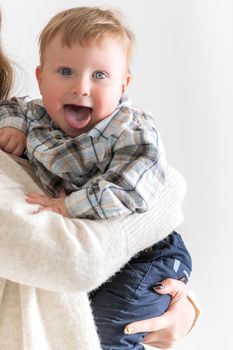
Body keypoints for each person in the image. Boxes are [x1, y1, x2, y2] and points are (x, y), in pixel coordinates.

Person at [0, 7, 200, 350]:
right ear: (40, 77)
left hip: (150, 255)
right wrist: (14, 126)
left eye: (100, 76)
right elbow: (75, 262)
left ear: (124, 83)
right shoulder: (35, 116)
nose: (80, 88)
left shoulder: (129, 129)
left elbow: (159, 187)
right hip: (119, 257)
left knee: (111, 330)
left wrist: (69, 205)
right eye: (65, 72)